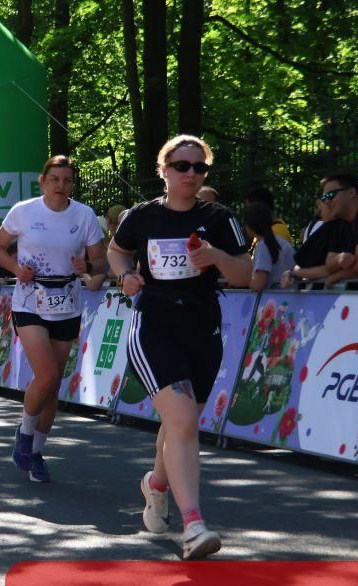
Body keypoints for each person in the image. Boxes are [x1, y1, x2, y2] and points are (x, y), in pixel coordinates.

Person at [107, 134, 252, 560]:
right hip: (154, 327)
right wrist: (125, 276)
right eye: (182, 166)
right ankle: (194, 526)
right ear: (164, 170)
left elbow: (245, 274)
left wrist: (216, 258)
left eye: (199, 167)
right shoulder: (142, 216)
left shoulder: (220, 218)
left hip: (203, 329)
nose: (191, 174)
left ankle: (156, 484)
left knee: (179, 425)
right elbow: (117, 251)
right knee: (184, 420)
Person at [0, 155, 106, 484]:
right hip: (30, 301)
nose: (60, 185)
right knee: (48, 374)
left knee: (52, 387)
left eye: (67, 180)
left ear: (73, 184)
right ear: (42, 182)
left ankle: (36, 452)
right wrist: (16, 269)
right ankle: (25, 435)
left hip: (67, 303)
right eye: (54, 179)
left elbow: (101, 261)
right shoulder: (23, 211)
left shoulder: (84, 215)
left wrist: (88, 267)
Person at [243, 202, 295, 290]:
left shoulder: (263, 246)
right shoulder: (281, 242)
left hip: (275, 296)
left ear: (249, 226)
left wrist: (240, 280)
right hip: (290, 295)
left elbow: (258, 284)